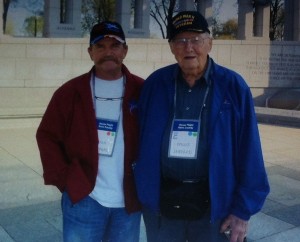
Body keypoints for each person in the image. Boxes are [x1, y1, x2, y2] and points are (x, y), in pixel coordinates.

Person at [133, 11, 270, 242]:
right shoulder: (156, 84)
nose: (189, 48)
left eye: (196, 40)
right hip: (163, 206)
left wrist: (242, 211)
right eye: (180, 41)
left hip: (215, 207)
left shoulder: (233, 86)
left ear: (209, 43)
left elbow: (250, 151)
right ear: (171, 47)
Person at [36, 21, 143, 242]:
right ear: (90, 52)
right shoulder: (70, 92)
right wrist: (67, 180)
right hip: (85, 199)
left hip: (128, 203)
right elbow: (47, 136)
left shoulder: (142, 90)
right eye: (100, 46)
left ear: (125, 51)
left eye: (114, 45)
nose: (108, 52)